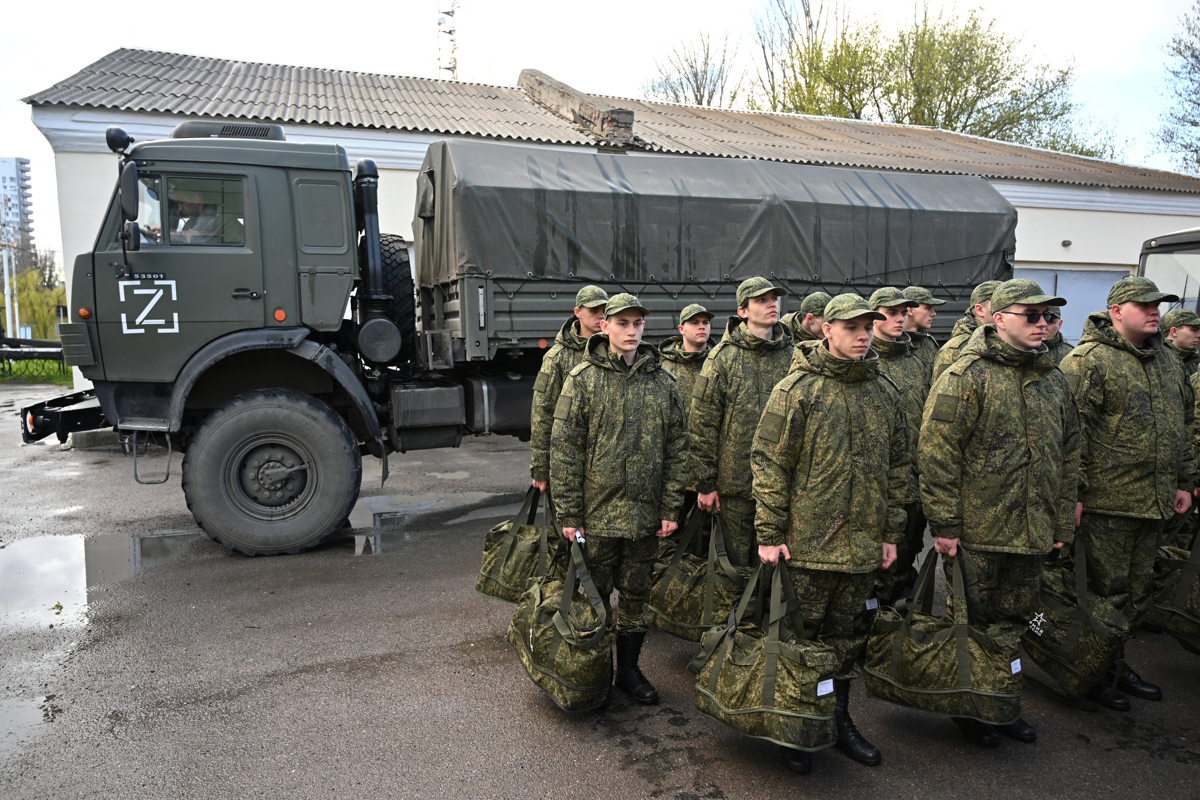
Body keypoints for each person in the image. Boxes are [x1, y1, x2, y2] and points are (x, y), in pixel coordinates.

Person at [920, 279, 1080, 747]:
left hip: (1030, 528)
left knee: (1015, 622)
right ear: (999, 318)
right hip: (979, 531)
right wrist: (945, 526)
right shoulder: (966, 375)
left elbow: (1069, 452)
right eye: (1031, 316)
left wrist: (1058, 522)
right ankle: (968, 704)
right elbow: (937, 454)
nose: (1042, 324)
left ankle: (1002, 702)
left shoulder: (1052, 378)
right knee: (971, 622)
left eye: (1047, 316)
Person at [753, 293, 907, 775]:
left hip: (861, 546)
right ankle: (796, 723)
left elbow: (899, 467)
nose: (863, 335)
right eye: (853, 327)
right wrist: (769, 532)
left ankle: (839, 720)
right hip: (807, 546)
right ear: (827, 330)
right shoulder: (796, 390)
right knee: (802, 639)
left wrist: (890, 532)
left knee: (847, 640)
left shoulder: (884, 391)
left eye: (868, 326)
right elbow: (770, 464)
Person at [1061, 276, 1196, 708]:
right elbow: (1069, 435)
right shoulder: (1089, 362)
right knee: (1103, 595)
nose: (1155, 310)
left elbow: (1186, 425)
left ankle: (1114, 663)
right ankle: (1091, 669)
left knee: (1137, 596)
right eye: (1145, 305)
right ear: (1117, 311)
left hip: (1153, 501)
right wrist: (1073, 495)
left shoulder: (1168, 362)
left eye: (1159, 304)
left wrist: (1183, 482)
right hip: (1106, 504)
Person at [550, 293, 689, 705]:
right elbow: (564, 451)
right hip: (597, 518)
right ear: (604, 326)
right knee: (593, 599)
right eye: (622, 323)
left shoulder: (662, 382)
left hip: (644, 517)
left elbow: (677, 448)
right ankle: (597, 672)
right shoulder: (582, 380)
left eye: (638, 324)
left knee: (635, 597)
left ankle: (629, 670)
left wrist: (668, 509)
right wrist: (570, 513)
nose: (631, 331)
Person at [690, 277, 793, 566]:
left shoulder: (792, 356)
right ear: (743, 310)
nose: (772, 304)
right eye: (762, 300)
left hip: (781, 487)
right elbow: (702, 425)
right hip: (735, 486)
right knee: (735, 568)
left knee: (777, 569)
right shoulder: (723, 358)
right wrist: (706, 483)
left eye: (774, 298)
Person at [868, 288, 929, 604]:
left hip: (910, 483)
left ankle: (888, 623)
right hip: (872, 484)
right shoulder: (865, 361)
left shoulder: (915, 362)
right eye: (892, 313)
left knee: (901, 559)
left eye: (903, 313)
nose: (899, 318)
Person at [529, 286, 608, 492]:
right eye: (593, 310)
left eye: (604, 310)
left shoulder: (614, 351)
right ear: (578, 312)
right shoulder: (557, 358)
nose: (600, 316)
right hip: (568, 459)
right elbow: (542, 412)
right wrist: (541, 465)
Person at [660, 303, 715, 530]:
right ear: (681, 329)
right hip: (674, 473)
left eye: (705, 323)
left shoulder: (717, 363)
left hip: (708, 473)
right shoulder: (664, 365)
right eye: (695, 323)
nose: (702, 327)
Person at [932, 280, 1002, 380]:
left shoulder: (1012, 343)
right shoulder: (953, 351)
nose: (1009, 310)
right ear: (980, 310)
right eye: (1000, 304)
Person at [169, 187, 244, 245]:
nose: (180, 208)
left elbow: (192, 238)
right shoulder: (198, 217)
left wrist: (167, 236)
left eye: (182, 202)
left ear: (196, 199)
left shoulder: (211, 213)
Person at [901, 285, 945, 372]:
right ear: (910, 310)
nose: (933, 313)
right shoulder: (890, 344)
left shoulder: (929, 343)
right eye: (928, 308)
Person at [1162, 307, 1200, 378]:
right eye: (1194, 330)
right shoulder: (1156, 361)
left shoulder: (1196, 363)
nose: (1199, 335)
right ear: (1174, 331)